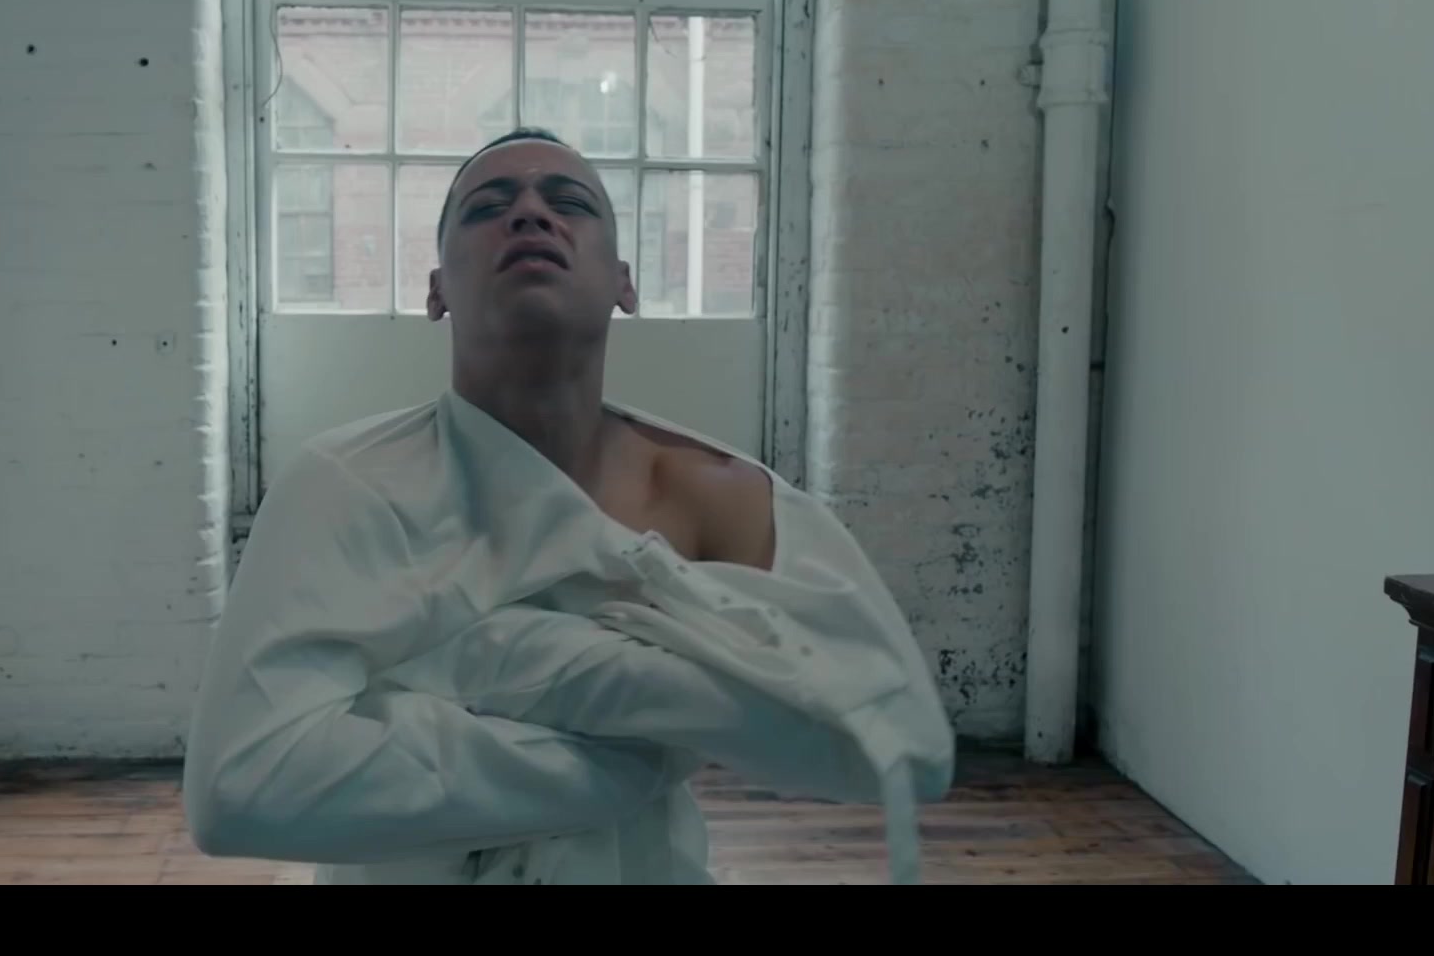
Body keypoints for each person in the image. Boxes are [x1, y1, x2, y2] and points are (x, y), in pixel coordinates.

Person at [183, 129, 953, 884]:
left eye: (569, 201)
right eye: (488, 207)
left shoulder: (716, 496)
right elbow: (243, 789)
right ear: (437, 290)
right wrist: (630, 744)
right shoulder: (346, 484)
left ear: (624, 281)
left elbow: (895, 742)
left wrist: (480, 662)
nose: (529, 213)